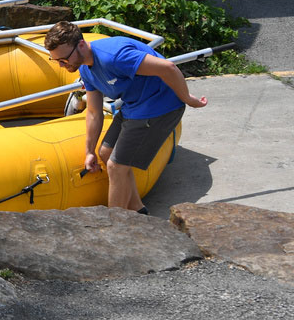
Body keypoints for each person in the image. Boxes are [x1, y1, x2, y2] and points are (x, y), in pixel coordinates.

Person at [43, 21, 207, 214]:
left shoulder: (113, 57)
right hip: (135, 106)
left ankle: (117, 226)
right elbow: (94, 112)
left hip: (161, 106)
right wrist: (89, 151)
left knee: (116, 166)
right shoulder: (85, 69)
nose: (62, 65)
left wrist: (188, 98)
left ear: (80, 45)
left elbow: (168, 67)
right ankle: (137, 210)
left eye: (64, 60)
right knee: (105, 154)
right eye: (57, 61)